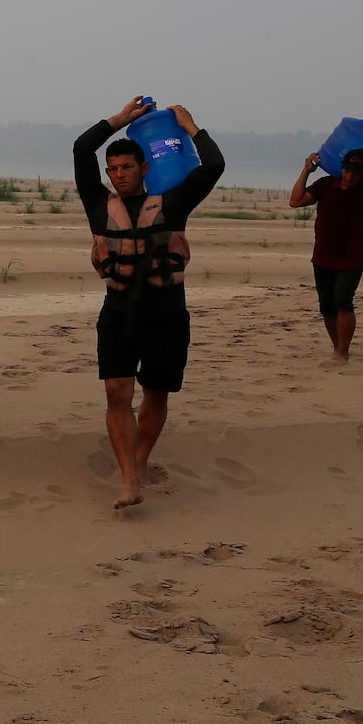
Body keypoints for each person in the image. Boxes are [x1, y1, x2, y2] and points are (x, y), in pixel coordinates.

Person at [74, 97, 225, 511]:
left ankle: (140, 462)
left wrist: (191, 127)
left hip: (167, 315)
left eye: (127, 167)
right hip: (118, 313)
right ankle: (129, 480)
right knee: (116, 393)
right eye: (113, 169)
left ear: (144, 169)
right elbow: (81, 149)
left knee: (156, 395)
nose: (119, 175)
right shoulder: (98, 205)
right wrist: (120, 120)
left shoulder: (174, 202)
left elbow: (213, 167)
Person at [288, 125, 363, 362]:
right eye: (347, 170)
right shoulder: (325, 184)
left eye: (355, 172)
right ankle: (338, 347)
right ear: (341, 167)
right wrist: (306, 171)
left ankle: (342, 352)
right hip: (323, 253)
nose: (349, 176)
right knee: (327, 306)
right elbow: (295, 201)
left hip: (353, 254)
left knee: (343, 300)